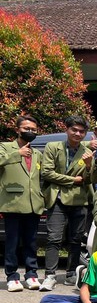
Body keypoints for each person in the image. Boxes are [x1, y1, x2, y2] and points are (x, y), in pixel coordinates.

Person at [41, 115, 94, 290]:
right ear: (67, 129)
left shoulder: (87, 151)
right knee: (53, 238)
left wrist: (87, 166)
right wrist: (72, 179)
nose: (78, 133)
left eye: (81, 131)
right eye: (74, 130)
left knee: (76, 239)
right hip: (56, 198)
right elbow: (47, 173)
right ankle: (50, 275)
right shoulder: (53, 147)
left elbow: (88, 180)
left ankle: (72, 273)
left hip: (79, 200)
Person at [0, 115, 45, 292]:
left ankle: (31, 274)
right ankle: (12, 276)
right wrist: (16, 154)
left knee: (31, 241)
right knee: (12, 241)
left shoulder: (37, 153)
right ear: (17, 129)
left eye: (34, 130)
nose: (30, 132)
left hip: (34, 203)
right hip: (12, 202)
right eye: (27, 128)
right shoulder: (5, 147)